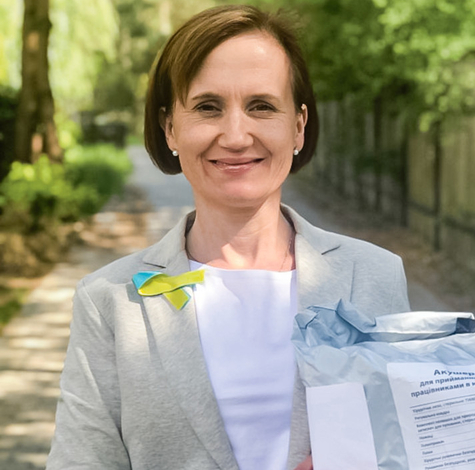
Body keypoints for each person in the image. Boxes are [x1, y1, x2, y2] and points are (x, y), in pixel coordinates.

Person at [46, 5, 410, 470]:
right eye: (207, 107)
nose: (236, 136)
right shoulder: (108, 301)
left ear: (298, 126)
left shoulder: (375, 276)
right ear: (170, 128)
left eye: (262, 106)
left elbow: (411, 444)